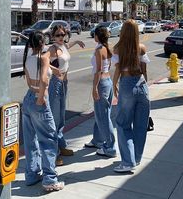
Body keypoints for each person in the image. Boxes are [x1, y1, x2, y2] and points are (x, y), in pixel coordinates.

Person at [22, 31, 64, 192]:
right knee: (49, 139)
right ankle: (50, 179)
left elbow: (29, 79)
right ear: (42, 44)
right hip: (40, 100)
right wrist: (41, 97)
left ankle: (32, 175)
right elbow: (45, 80)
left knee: (30, 139)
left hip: (28, 98)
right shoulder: (43, 58)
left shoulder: (28, 58)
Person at [112, 19, 150, 173]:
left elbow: (118, 70)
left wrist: (115, 84)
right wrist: (145, 87)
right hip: (141, 84)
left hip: (127, 84)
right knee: (141, 125)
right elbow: (144, 71)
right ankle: (136, 158)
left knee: (123, 124)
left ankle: (128, 161)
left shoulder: (117, 49)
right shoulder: (141, 48)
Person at [48, 25, 85, 166]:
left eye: (63, 34)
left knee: (61, 118)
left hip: (64, 84)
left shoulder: (62, 46)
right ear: (53, 36)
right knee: (55, 119)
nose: (60, 37)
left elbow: (66, 48)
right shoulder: (52, 48)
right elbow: (42, 61)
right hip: (55, 84)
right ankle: (54, 153)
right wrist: (54, 69)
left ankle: (61, 146)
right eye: (57, 35)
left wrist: (76, 42)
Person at [84, 26, 116, 158]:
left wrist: (94, 88)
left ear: (97, 36)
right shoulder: (107, 48)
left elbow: (98, 71)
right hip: (108, 82)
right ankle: (97, 140)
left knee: (103, 116)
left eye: (94, 34)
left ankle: (110, 147)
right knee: (101, 114)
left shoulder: (99, 50)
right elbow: (107, 67)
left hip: (101, 83)